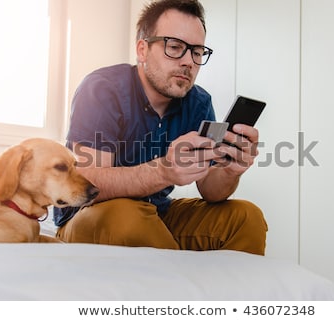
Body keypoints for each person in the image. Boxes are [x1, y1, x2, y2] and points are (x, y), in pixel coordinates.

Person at [53, 0, 268, 255]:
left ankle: (215, 287)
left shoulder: (199, 102)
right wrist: (163, 171)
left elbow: (211, 190)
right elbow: (88, 182)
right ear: (142, 50)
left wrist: (231, 172)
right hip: (92, 214)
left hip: (157, 214)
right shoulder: (102, 88)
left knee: (246, 217)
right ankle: (185, 284)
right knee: (126, 216)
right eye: (175, 47)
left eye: (197, 52)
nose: (189, 61)